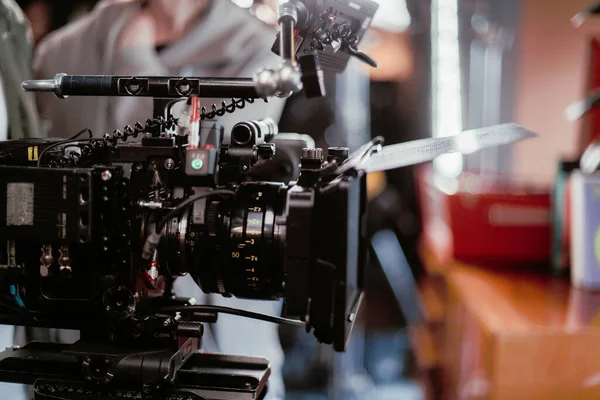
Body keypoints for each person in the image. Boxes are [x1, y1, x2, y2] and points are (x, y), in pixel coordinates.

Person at [31, 1, 286, 399]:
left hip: (221, 350)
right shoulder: (61, 53)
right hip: (84, 351)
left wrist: (133, 57)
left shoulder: (259, 49)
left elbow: (198, 177)